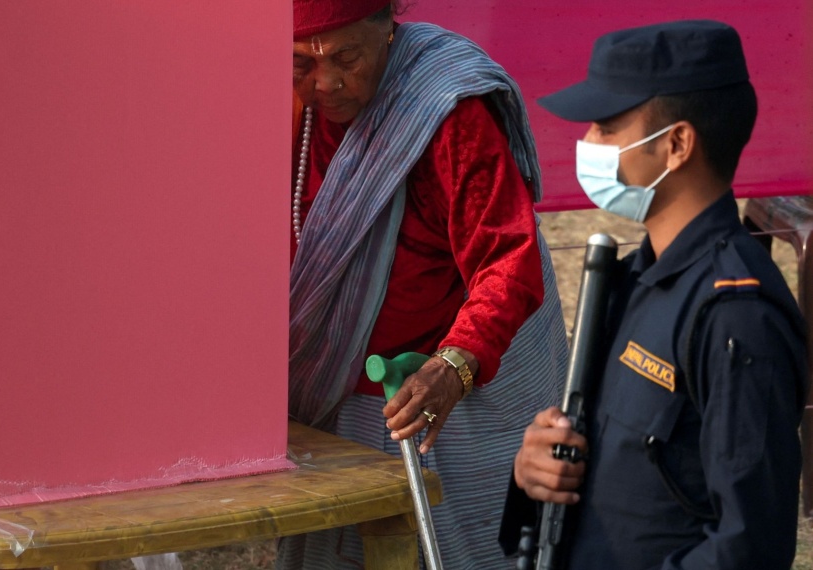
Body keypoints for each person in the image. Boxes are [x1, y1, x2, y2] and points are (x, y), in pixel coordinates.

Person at [501, 20, 808, 570]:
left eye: (605, 126)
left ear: (676, 144)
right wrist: (532, 472)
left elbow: (750, 545)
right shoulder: (632, 279)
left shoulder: (737, 314)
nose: (587, 144)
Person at [284, 1, 569, 568]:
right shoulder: (282, 103)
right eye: (301, 65)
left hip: (440, 393)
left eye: (347, 57)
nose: (327, 82)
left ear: (388, 29)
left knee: (462, 547)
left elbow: (506, 258)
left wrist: (456, 364)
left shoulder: (444, 109)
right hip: (333, 395)